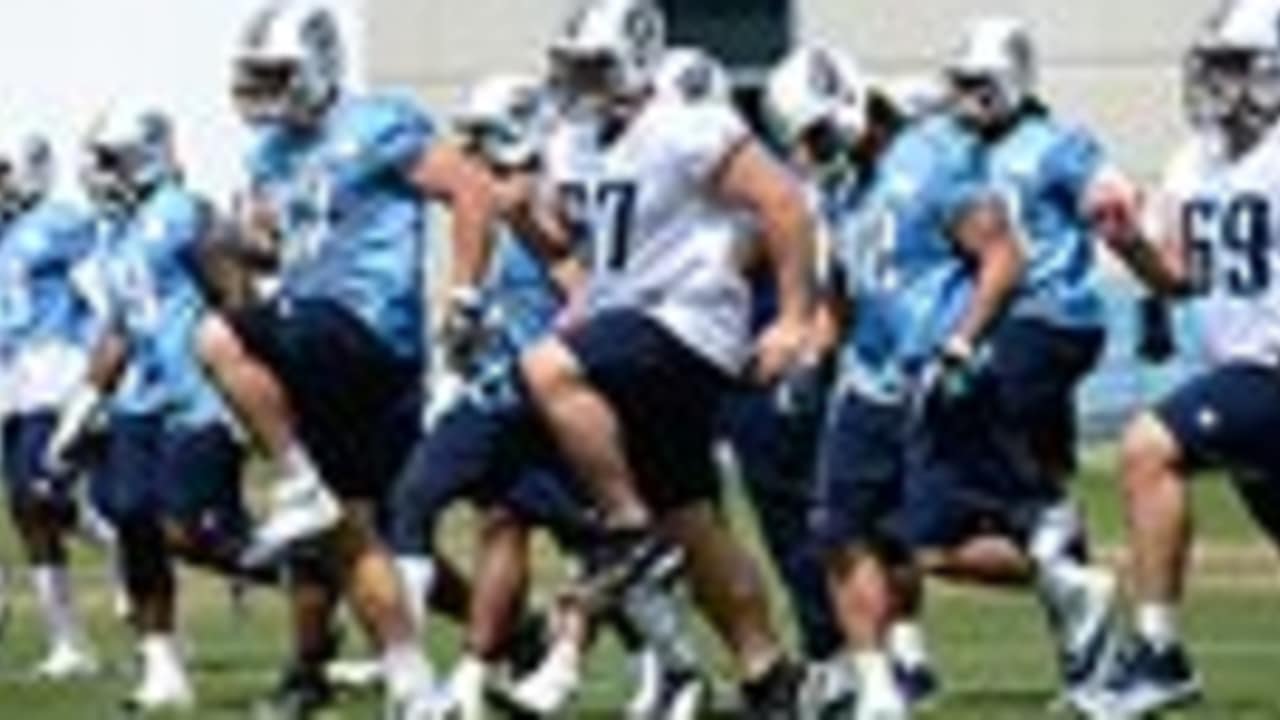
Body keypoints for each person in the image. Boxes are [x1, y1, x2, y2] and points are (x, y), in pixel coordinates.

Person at [193, 0, 499, 715]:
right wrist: (246, 243)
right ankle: (410, 679)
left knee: (216, 337)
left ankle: (294, 481)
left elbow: (471, 191)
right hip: (325, 338)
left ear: (319, 66)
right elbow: (280, 247)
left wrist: (463, 298)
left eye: (278, 73)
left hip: (367, 328)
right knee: (349, 527)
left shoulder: (379, 121)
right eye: (257, 75)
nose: (266, 89)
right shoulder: (269, 152)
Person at [517, 1, 816, 715]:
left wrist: (796, 317)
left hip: (688, 321)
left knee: (547, 368)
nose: (581, 81)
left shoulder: (687, 126)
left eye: (595, 65)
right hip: (632, 322)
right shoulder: (574, 139)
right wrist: (517, 208)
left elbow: (785, 204)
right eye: (574, 66)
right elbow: (572, 239)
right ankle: (769, 672)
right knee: (689, 516)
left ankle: (626, 529)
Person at [765, 43, 1028, 720]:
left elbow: (1002, 257)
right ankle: (879, 689)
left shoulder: (933, 158)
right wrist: (810, 360)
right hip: (869, 382)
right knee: (837, 529)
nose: (815, 150)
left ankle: (1057, 573)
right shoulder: (840, 189)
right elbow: (842, 301)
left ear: (849, 104)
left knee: (932, 543)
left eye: (819, 132)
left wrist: (963, 340)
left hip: (938, 377)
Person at [1089, 0, 1280, 715]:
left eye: (1236, 68)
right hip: (1239, 370)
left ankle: (1160, 655)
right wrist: (1128, 242)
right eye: (1214, 68)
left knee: (1146, 449)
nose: (1219, 85)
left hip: (1269, 371)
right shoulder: (1192, 159)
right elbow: (1179, 276)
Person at [0, 132, 100, 680]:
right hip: (12, 374)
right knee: (27, 509)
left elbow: (106, 287)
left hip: (55, 367)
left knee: (41, 492)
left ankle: (134, 558)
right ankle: (68, 643)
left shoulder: (62, 223)